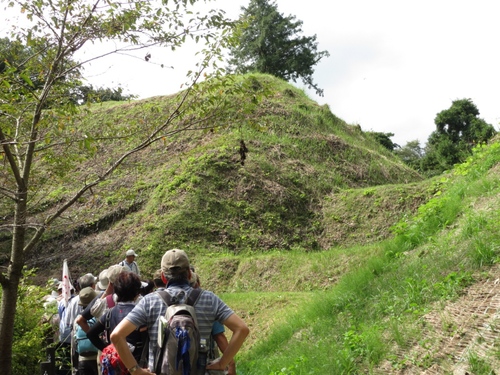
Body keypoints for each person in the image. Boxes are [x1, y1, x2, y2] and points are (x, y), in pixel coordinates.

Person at [110, 249, 249, 375]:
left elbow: (116, 336)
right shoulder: (209, 298)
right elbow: (242, 329)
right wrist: (223, 362)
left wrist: (135, 370)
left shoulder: (149, 301)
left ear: (163, 277)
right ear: (189, 274)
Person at [86, 272, 146, 363]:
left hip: (115, 364)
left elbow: (91, 333)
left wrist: (107, 350)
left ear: (116, 291)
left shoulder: (110, 313)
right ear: (137, 292)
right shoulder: (139, 313)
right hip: (136, 363)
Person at [189, 269, 236, 375]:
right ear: (198, 284)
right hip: (203, 365)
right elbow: (219, 336)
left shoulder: (169, 302)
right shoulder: (207, 302)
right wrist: (230, 363)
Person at [74, 287, 98, 375]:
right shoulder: (98, 317)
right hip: (97, 357)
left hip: (82, 358)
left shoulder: (77, 319)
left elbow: (74, 341)